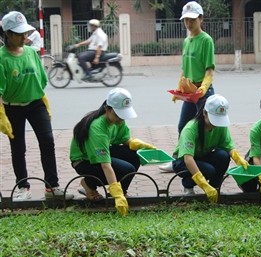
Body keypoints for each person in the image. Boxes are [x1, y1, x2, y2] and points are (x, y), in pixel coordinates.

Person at [0, 11, 73, 200]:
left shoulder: (32, 53)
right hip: (12, 107)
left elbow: (41, 81)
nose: (24, 37)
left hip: (36, 104)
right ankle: (23, 187)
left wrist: (43, 100)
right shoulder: (2, 58)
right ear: (7, 34)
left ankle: (52, 186)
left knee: (48, 142)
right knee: (18, 148)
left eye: (25, 33)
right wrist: (2, 115)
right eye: (18, 34)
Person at [70, 88, 156, 216]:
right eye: (118, 115)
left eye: (123, 115)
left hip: (101, 153)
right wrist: (117, 195)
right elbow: (105, 165)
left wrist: (137, 144)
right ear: (107, 109)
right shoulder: (97, 127)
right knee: (126, 169)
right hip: (84, 161)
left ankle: (122, 190)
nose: (121, 120)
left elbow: (125, 139)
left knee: (134, 155)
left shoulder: (118, 120)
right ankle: (89, 184)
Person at [159, 1, 215, 172]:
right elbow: (184, 70)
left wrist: (203, 88)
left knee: (204, 128)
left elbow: (209, 70)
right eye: (186, 20)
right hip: (190, 92)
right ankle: (178, 161)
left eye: (192, 19)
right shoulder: (186, 41)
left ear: (201, 18)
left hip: (202, 92)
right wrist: (179, 89)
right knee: (183, 126)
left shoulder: (206, 40)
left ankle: (204, 161)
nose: (189, 23)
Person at [172, 94, 248, 203]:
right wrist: (203, 184)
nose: (216, 124)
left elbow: (228, 146)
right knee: (209, 170)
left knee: (223, 156)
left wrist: (238, 158)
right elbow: (188, 159)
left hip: (201, 157)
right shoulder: (190, 129)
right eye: (214, 120)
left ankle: (214, 188)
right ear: (204, 113)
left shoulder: (220, 127)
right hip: (182, 162)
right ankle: (188, 185)